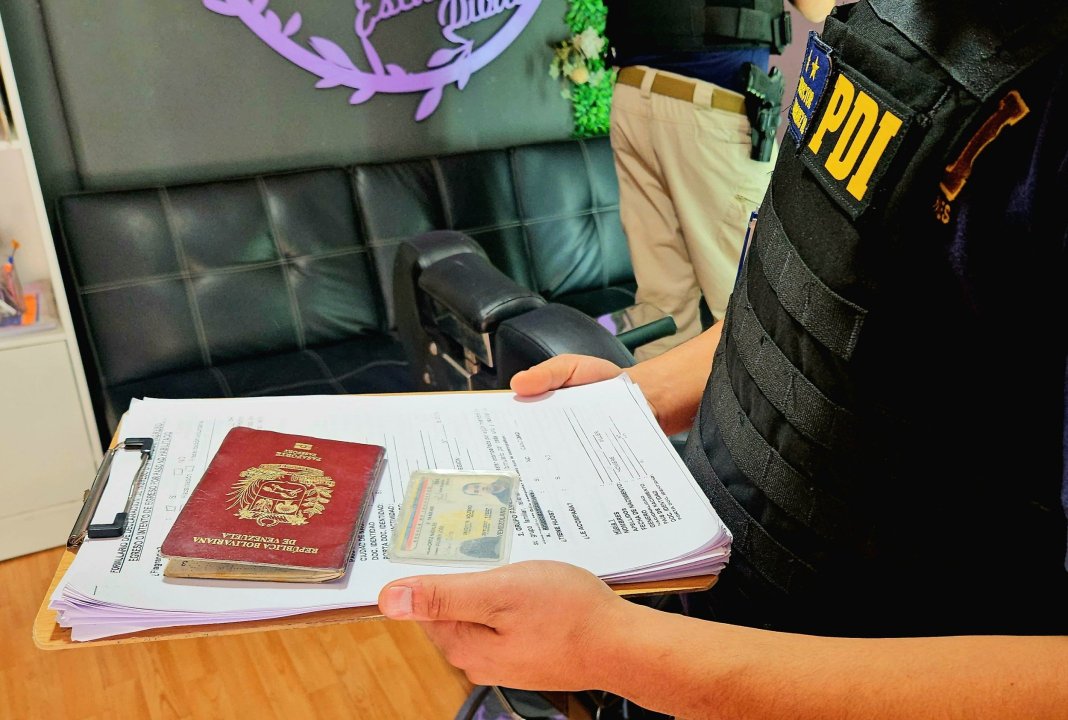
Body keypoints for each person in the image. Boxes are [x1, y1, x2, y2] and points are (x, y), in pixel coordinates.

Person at [378, 1, 1068, 716]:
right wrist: (632, 403)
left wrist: (616, 649)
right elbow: (815, 296)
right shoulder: (892, 25)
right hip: (713, 619)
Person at [606, 0, 835, 360]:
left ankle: (656, 397)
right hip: (707, 111)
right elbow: (817, 7)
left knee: (662, 304)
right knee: (756, 304)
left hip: (632, 96)